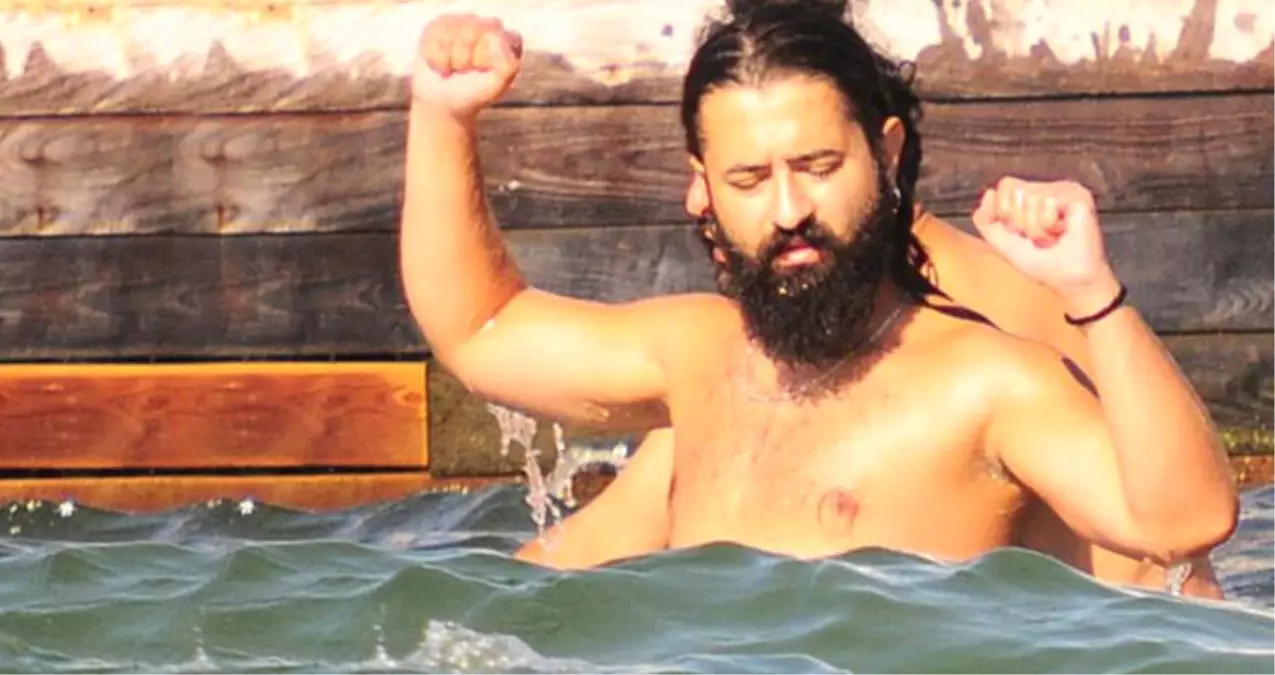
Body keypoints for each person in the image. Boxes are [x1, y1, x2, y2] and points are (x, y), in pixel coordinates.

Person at [401, 0, 1237, 584]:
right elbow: (481, 328)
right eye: (748, 179)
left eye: (817, 166)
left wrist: (1093, 293)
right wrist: (442, 118)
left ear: (885, 152)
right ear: (703, 189)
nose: (788, 209)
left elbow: (1181, 526)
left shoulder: (986, 379)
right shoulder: (698, 362)